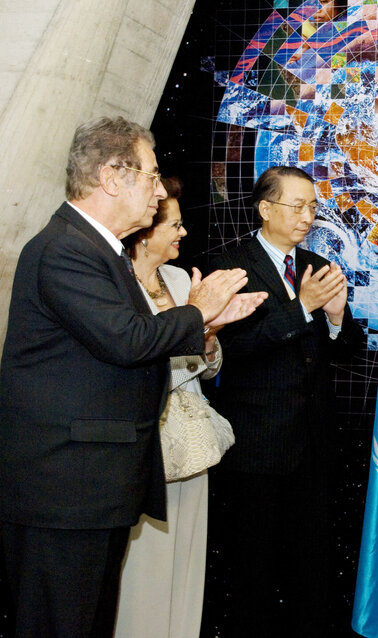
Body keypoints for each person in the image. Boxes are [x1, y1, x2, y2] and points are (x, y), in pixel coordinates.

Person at [0, 117, 264, 637]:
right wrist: (198, 311)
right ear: (111, 177)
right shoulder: (65, 249)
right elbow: (126, 341)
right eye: (151, 175)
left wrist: (202, 320)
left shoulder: (102, 251)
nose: (159, 190)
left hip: (94, 485)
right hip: (65, 491)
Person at [207, 165, 365, 635]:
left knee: (310, 571)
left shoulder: (315, 266)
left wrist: (336, 319)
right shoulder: (231, 268)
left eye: (313, 207)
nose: (308, 216)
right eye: (297, 206)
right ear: (265, 208)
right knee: (252, 573)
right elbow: (231, 351)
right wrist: (303, 308)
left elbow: (349, 353)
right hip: (257, 446)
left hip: (314, 448)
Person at [113, 177, 222, 637]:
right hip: (145, 447)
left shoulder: (179, 279)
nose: (182, 234)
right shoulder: (118, 286)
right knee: (144, 569)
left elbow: (209, 367)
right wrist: (192, 345)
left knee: (187, 561)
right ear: (145, 232)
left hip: (193, 447)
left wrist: (210, 342)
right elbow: (140, 365)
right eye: (174, 225)